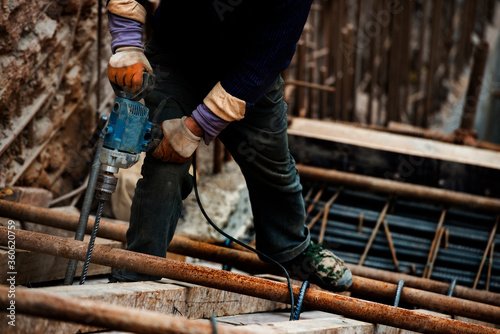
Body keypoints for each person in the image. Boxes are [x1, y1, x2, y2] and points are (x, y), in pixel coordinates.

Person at [106, 0, 352, 292]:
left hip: (248, 71)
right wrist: (127, 46)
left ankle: (289, 249)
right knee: (165, 168)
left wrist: (192, 129)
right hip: (176, 56)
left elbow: (260, 66)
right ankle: (142, 265)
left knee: (271, 164)